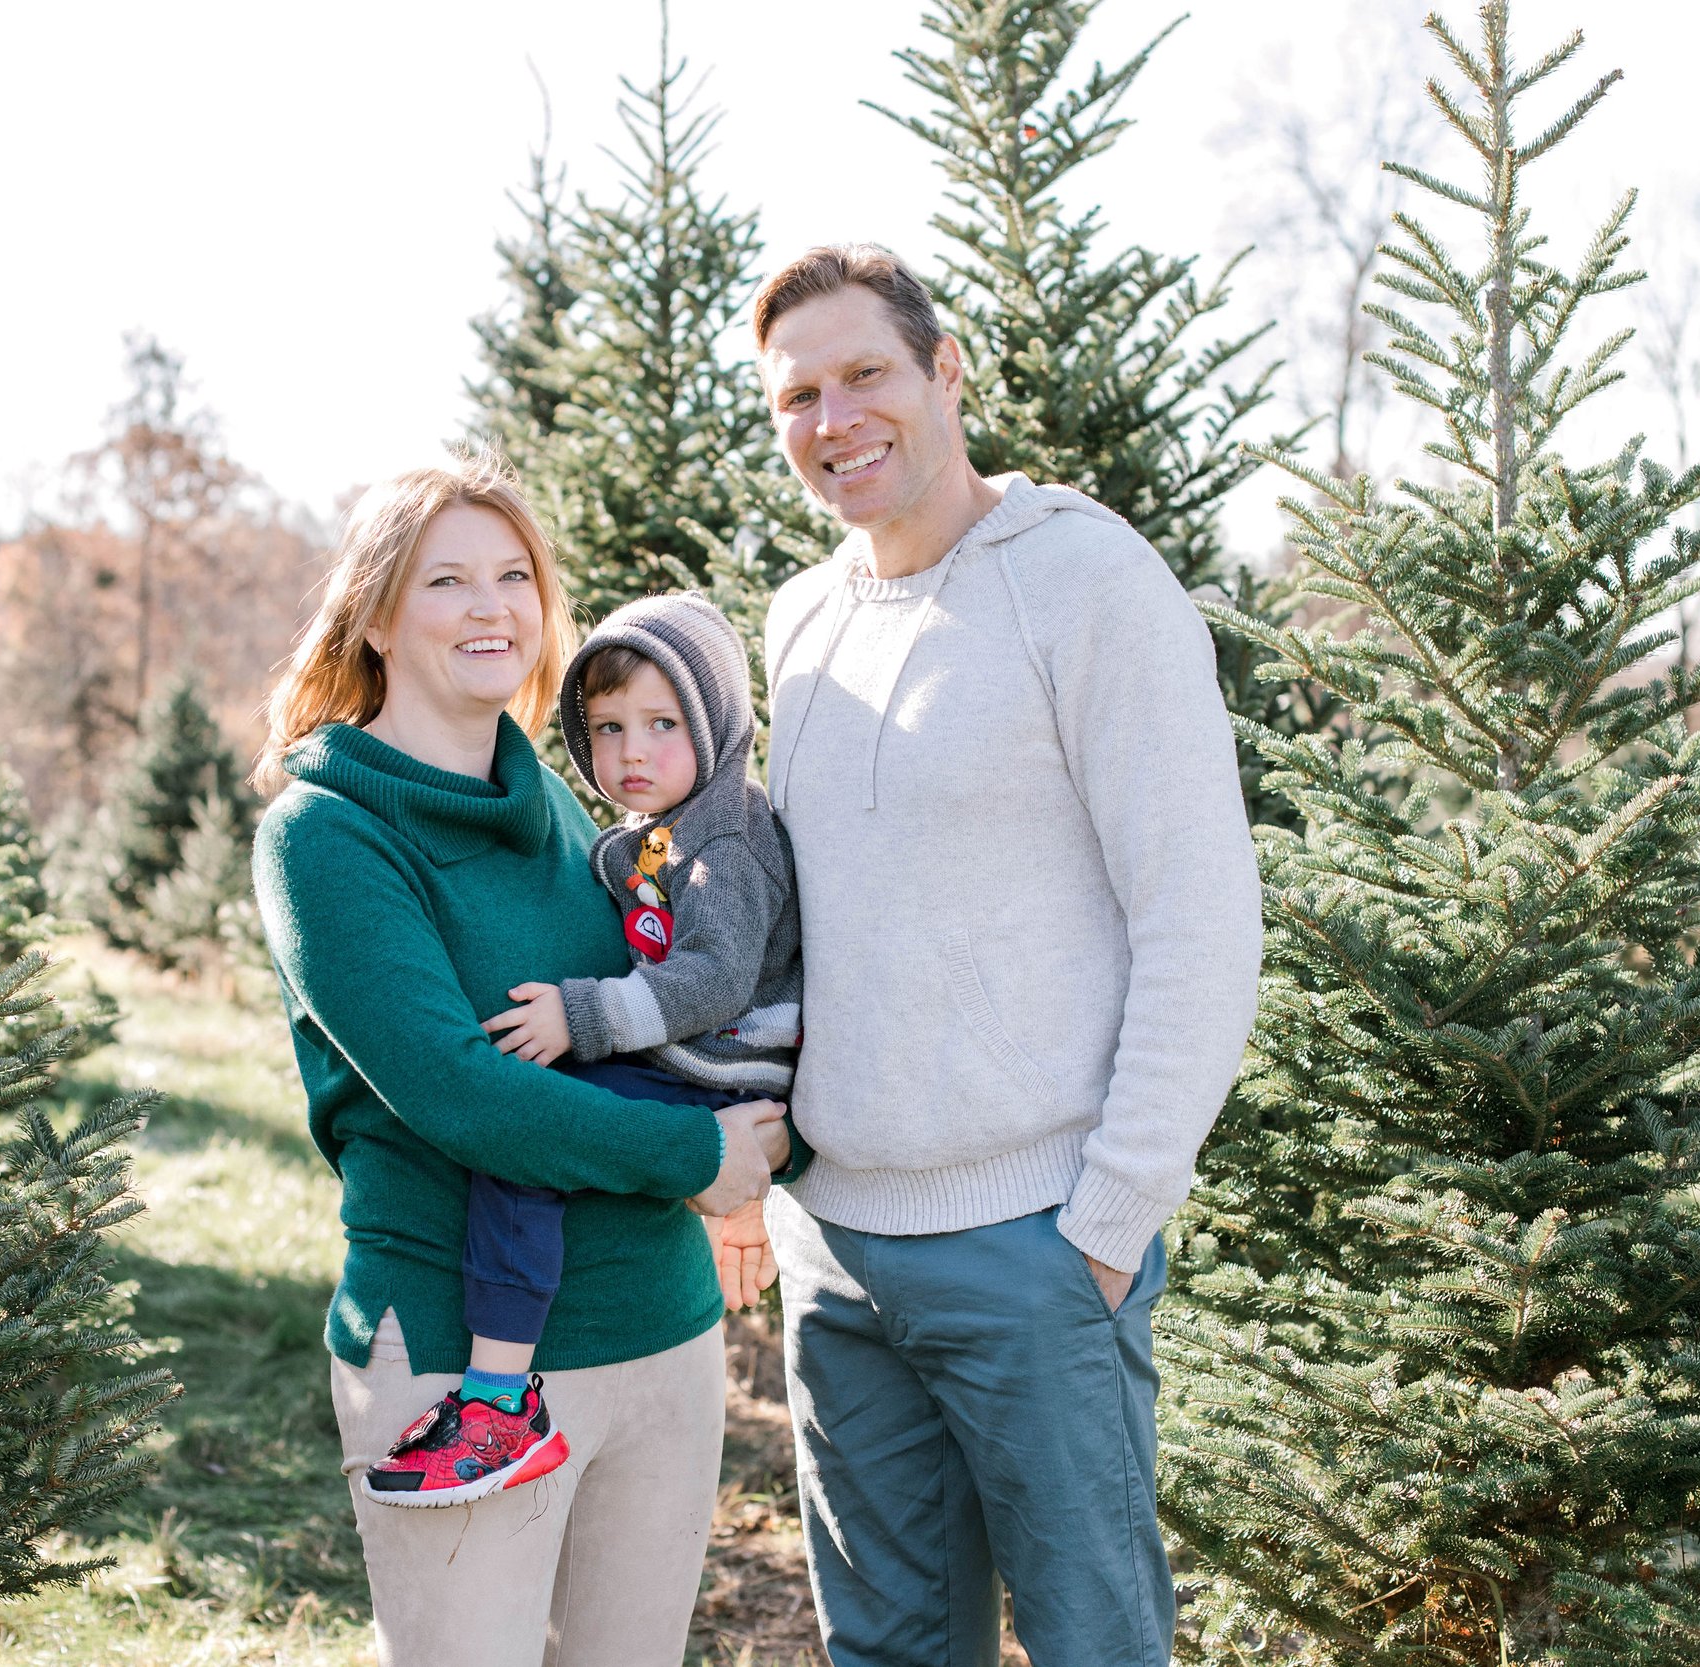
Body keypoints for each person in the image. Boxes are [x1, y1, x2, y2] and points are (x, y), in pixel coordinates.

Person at [749, 244, 1265, 1666]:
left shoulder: (1086, 579)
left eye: (865, 374)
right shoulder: (799, 622)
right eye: (798, 394)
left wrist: (1108, 1219)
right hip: (837, 1248)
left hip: (1033, 1245)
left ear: (945, 369)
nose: (834, 418)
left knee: (1097, 1642)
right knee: (891, 1652)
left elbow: (1202, 914)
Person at [249, 455, 787, 1664]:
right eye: (448, 579)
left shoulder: (558, 796)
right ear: (378, 617)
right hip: (458, 1359)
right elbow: (461, 1093)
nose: (492, 606)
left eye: (514, 576)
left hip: (663, 1331)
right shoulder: (324, 835)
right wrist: (699, 1150)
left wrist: (768, 1121)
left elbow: (675, 1004)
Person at [368, 591, 805, 1502]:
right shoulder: (652, 836)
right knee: (542, 1124)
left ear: (719, 725)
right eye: (607, 728)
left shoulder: (726, 836)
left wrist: (583, 1015)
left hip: (722, 1066)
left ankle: (495, 1401)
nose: (631, 752)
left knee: (529, 1154)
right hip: (699, 1072)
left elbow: (716, 977)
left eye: (662, 723)